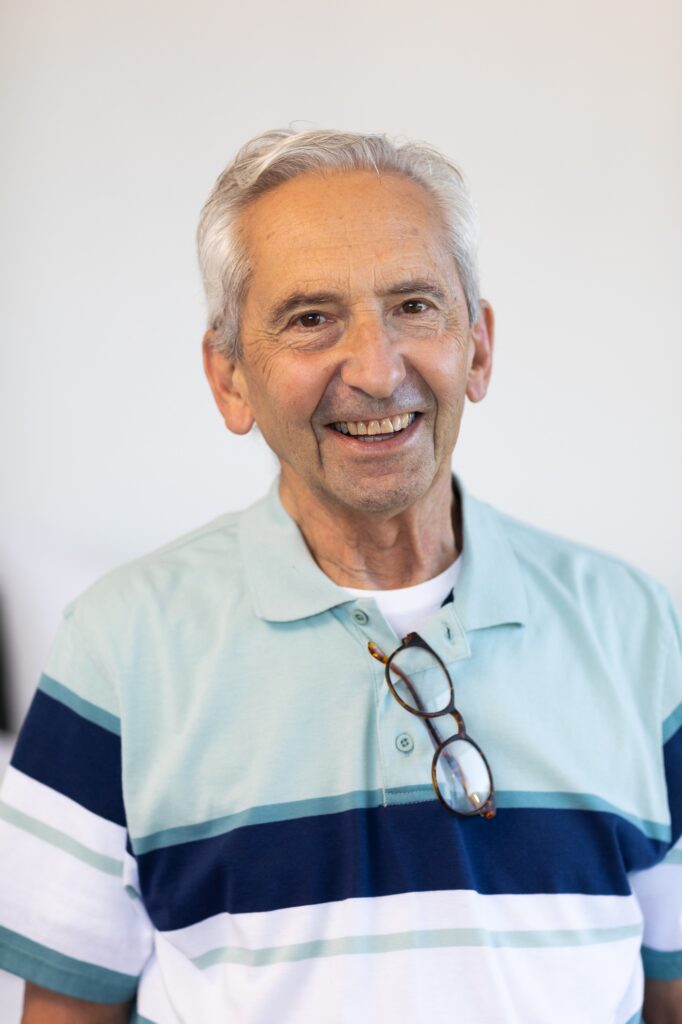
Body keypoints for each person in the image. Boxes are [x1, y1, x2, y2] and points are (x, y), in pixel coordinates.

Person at [0, 129, 679, 1024]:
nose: (377, 369)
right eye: (312, 318)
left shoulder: (632, 626)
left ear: (476, 346)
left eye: (414, 305)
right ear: (230, 376)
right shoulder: (119, 644)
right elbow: (69, 1011)